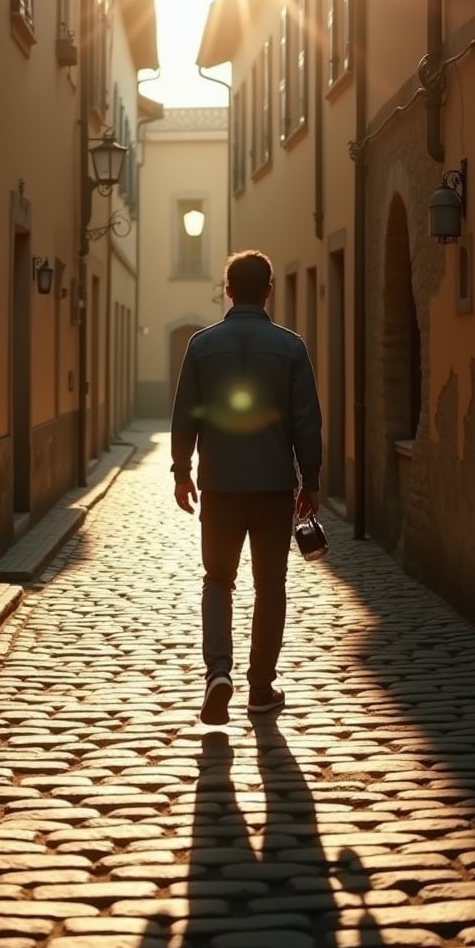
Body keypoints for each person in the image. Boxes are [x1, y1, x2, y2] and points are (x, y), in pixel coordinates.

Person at [170, 248, 323, 725]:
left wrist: (182, 471)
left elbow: (184, 414)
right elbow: (306, 422)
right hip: (274, 488)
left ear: (229, 290)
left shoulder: (201, 345)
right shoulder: (291, 347)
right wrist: (311, 481)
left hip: (219, 487)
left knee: (218, 580)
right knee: (270, 585)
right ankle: (261, 687)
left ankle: (219, 672)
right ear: (270, 291)